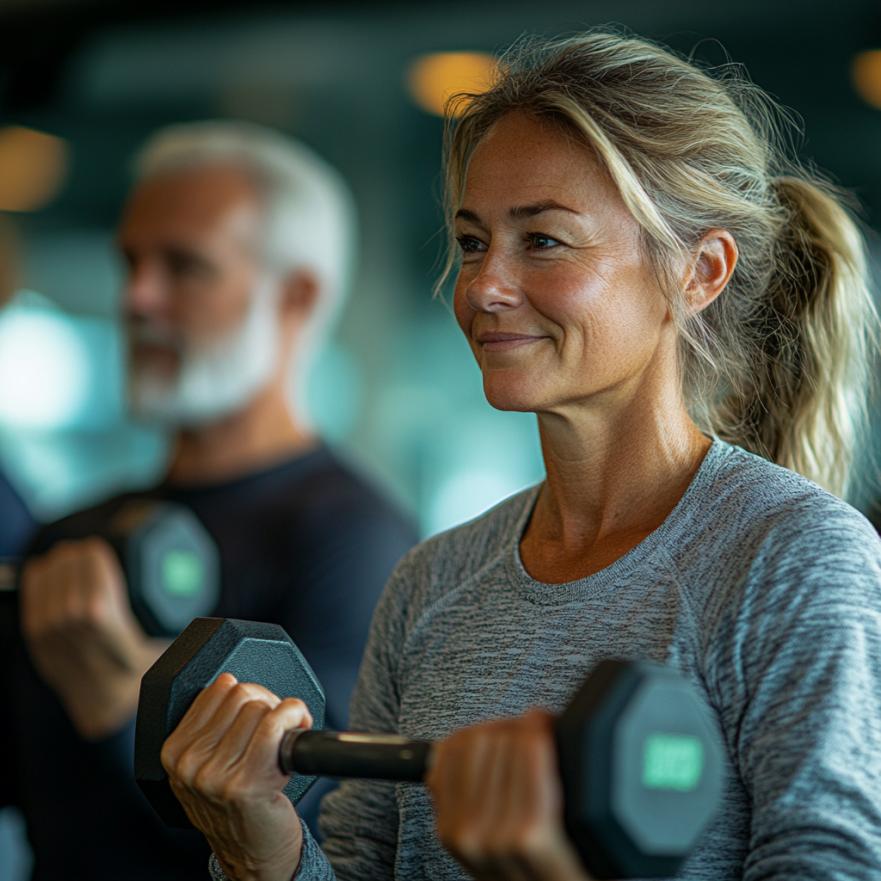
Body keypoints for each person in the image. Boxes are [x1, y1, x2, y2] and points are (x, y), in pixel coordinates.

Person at [162, 30, 881, 881]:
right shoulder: (431, 582)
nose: (483, 286)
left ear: (698, 271)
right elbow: (360, 867)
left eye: (541, 240)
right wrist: (262, 850)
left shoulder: (793, 555)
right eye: (472, 242)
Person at [1, 122, 416, 881]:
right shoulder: (71, 531)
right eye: (130, 262)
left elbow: (330, 843)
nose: (136, 297)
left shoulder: (354, 537)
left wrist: (120, 702)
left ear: (296, 297)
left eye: (183, 267)